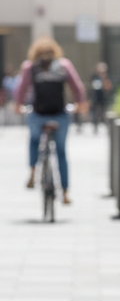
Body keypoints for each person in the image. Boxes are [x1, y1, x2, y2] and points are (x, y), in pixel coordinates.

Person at [14, 37, 86, 204]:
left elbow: (21, 90)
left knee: (33, 141)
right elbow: (77, 87)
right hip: (60, 115)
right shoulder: (64, 65)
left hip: (38, 115)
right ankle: (66, 193)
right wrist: (81, 104)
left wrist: (18, 106)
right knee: (61, 152)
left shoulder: (29, 66)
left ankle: (33, 171)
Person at [89, 62, 111, 134]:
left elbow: (108, 87)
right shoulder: (94, 77)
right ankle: (95, 127)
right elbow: (93, 86)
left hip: (103, 98)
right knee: (95, 113)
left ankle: (107, 128)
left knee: (104, 113)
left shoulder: (106, 77)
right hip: (95, 97)